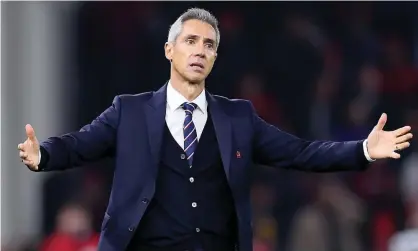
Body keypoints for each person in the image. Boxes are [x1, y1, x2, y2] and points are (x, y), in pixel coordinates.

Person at [18, 8, 413, 251]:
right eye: (190, 41)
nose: (200, 51)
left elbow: (301, 153)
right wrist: (45, 154)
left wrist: (361, 150)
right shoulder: (130, 111)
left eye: (209, 45)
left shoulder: (238, 117)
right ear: (170, 50)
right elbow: (81, 144)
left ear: (216, 57)